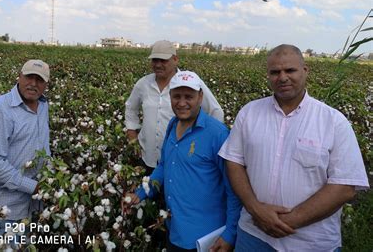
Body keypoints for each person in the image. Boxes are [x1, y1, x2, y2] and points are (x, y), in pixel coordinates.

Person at [218, 44, 369, 251]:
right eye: (275, 72)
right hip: (253, 235)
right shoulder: (249, 113)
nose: (282, 77)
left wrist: (287, 222)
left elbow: (344, 187)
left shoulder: (333, 121)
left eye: (290, 70)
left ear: (305, 71)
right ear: (268, 75)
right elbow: (234, 161)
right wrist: (256, 210)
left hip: (311, 243)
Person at [124, 71, 241, 252]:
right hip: (175, 229)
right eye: (176, 96)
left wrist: (230, 234)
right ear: (170, 96)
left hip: (206, 239)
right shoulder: (172, 125)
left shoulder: (217, 134)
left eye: (189, 96)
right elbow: (163, 165)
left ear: (200, 97)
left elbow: (234, 188)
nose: (182, 102)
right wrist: (140, 194)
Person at [0, 59, 51, 251]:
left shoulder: (43, 106)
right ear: (19, 76)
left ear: (46, 84)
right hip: (5, 213)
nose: (33, 84)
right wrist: (33, 186)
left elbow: (43, 147)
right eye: (29, 77)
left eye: (40, 80)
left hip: (33, 209)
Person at [125, 40, 224, 172]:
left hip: (180, 160)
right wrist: (132, 134)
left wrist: (206, 145)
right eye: (155, 60)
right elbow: (131, 108)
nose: (158, 64)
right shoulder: (143, 84)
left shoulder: (190, 82)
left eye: (163, 60)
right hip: (147, 156)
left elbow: (215, 111)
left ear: (175, 59)